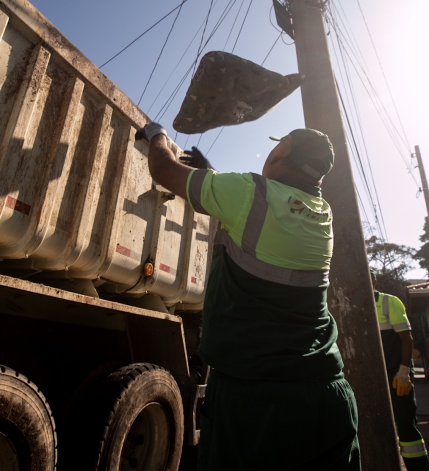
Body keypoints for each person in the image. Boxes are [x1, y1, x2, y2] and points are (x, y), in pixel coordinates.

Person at [139, 122, 360, 471]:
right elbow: (263, 216)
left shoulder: (250, 193)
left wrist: (156, 134)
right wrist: (211, 174)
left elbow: (164, 170)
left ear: (281, 150)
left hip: (258, 404)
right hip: (329, 397)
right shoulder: (322, 214)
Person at [371, 270, 429, 471]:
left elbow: (406, 338)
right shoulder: (351, 303)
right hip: (373, 375)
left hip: (396, 373)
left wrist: (404, 371)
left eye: (368, 279)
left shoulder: (389, 302)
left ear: (374, 281)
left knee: (405, 422)